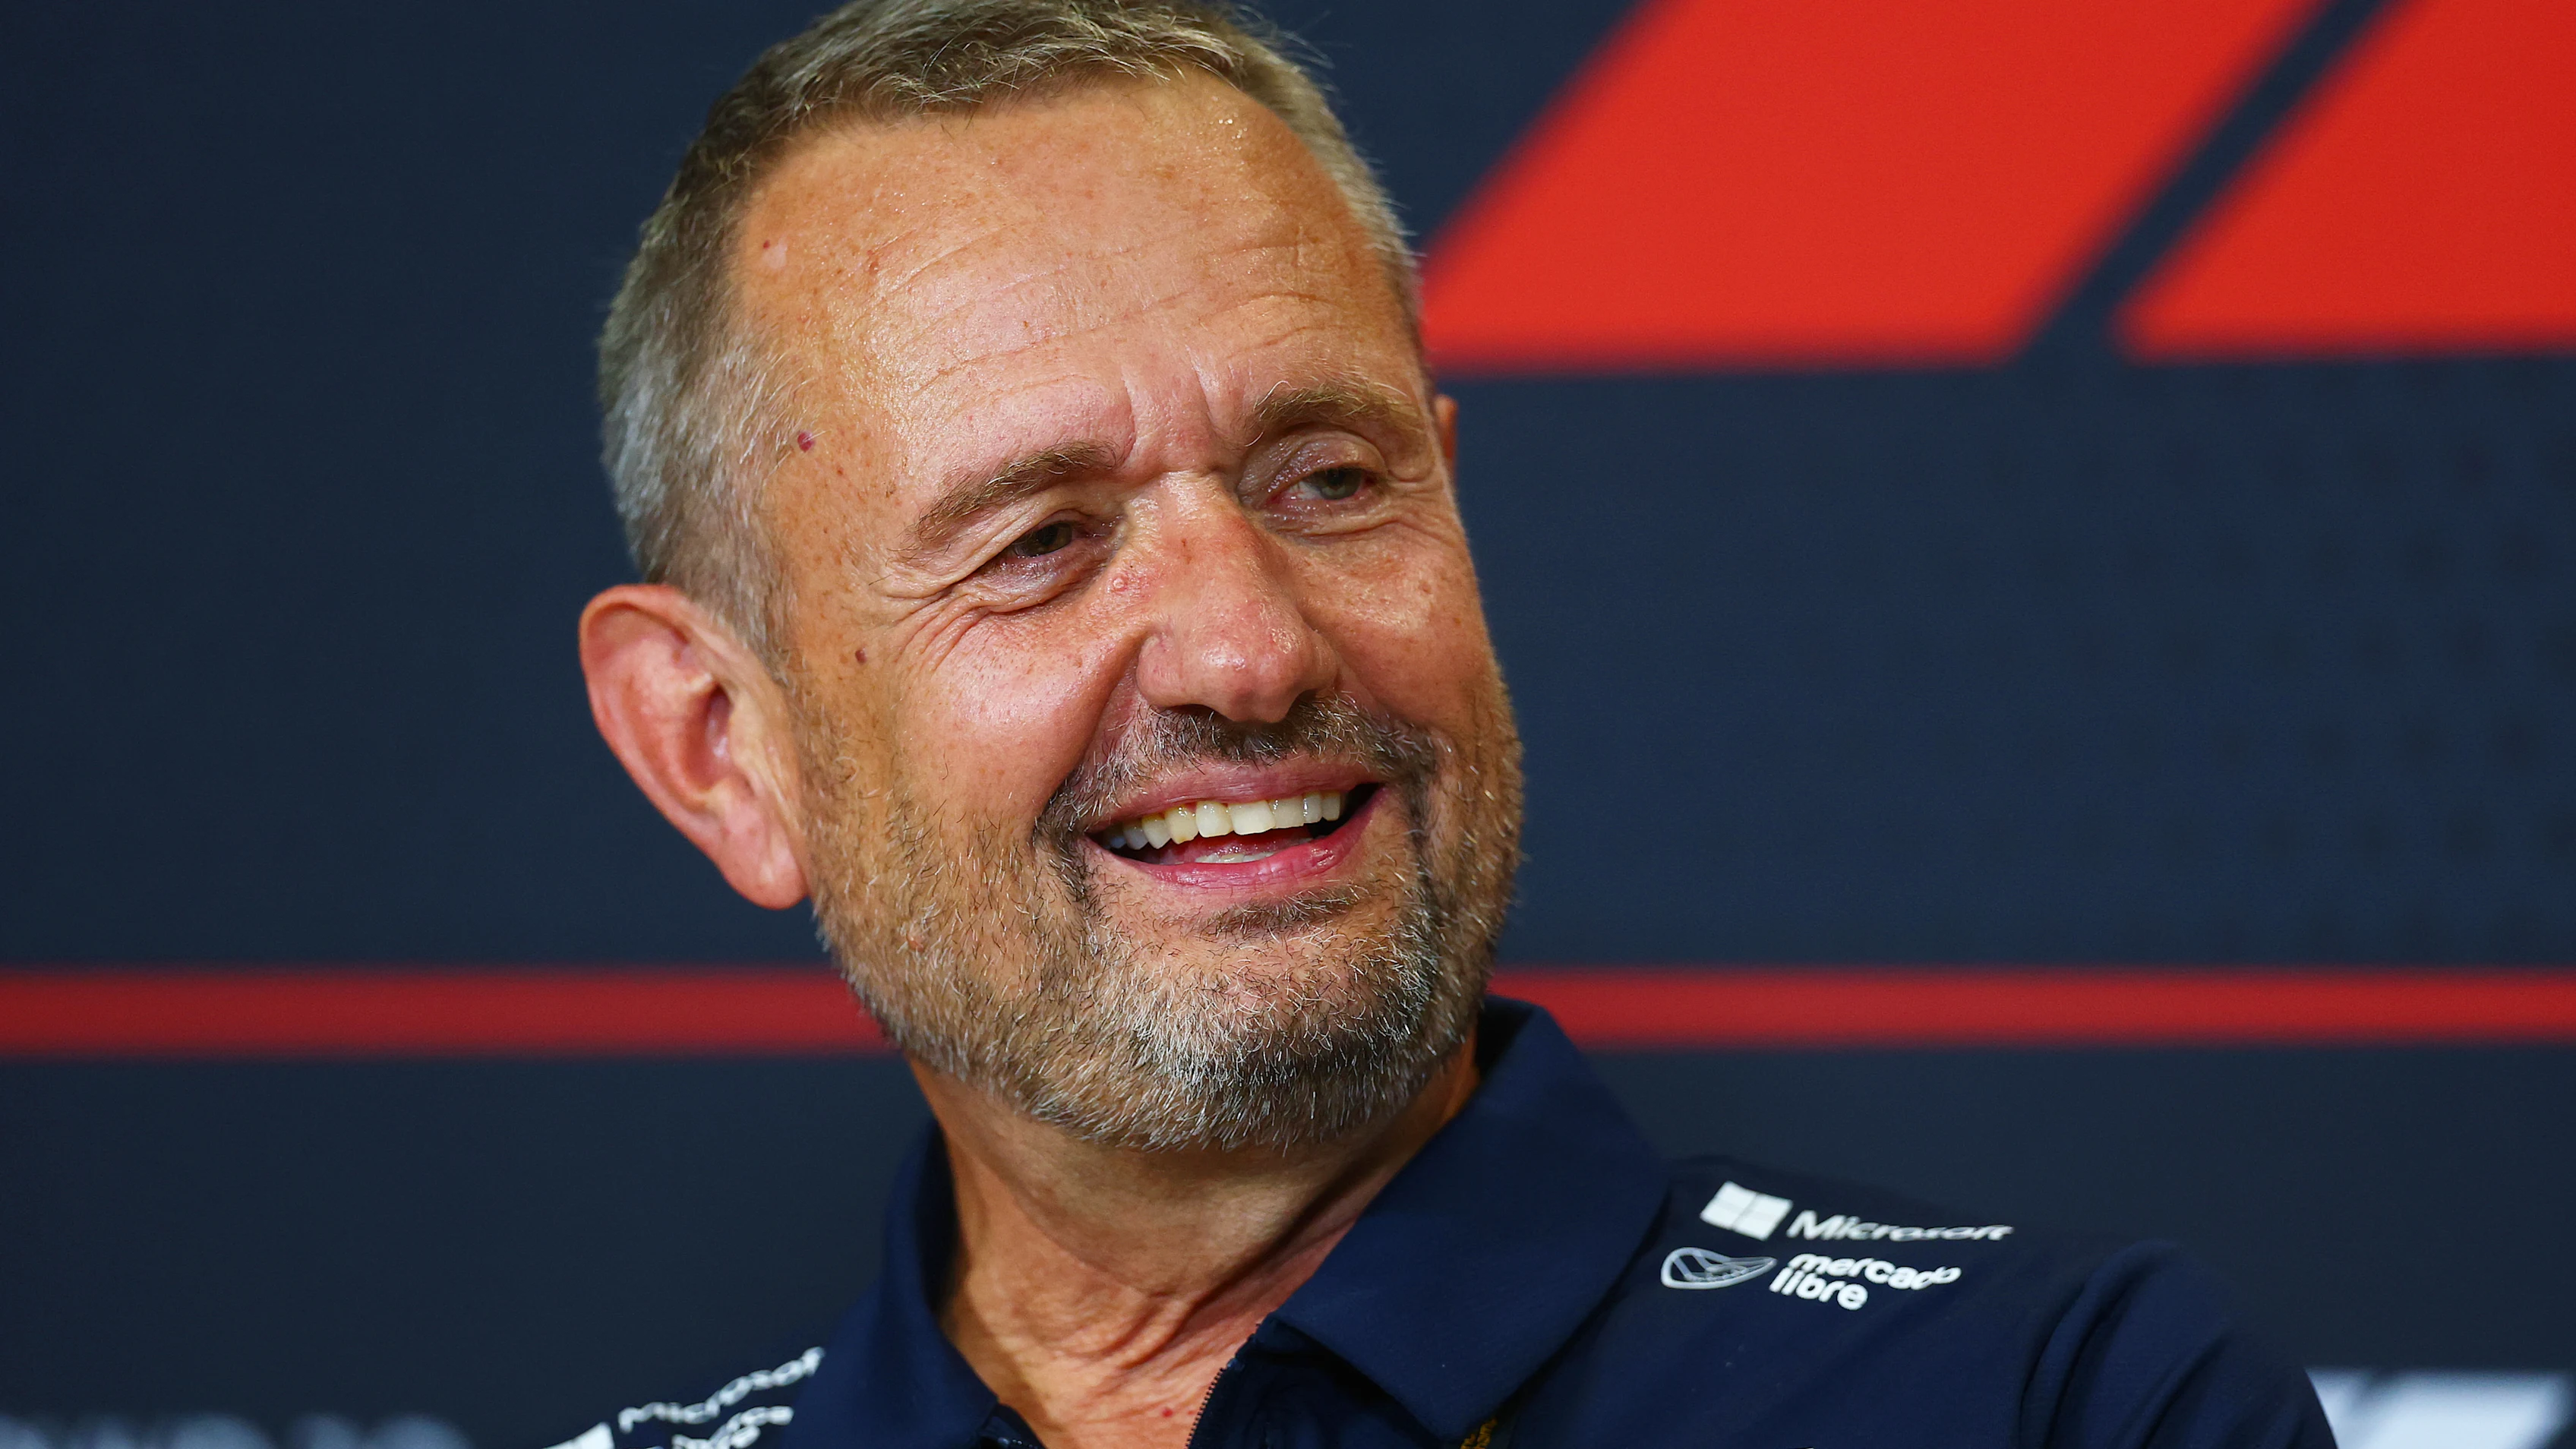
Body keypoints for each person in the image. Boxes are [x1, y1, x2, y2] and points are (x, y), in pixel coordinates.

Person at [565, 2, 2334, 1444]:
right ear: (719, 743)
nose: (1249, 649)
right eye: (1041, 541)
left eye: (1331, 480)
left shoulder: (2050, 1404)